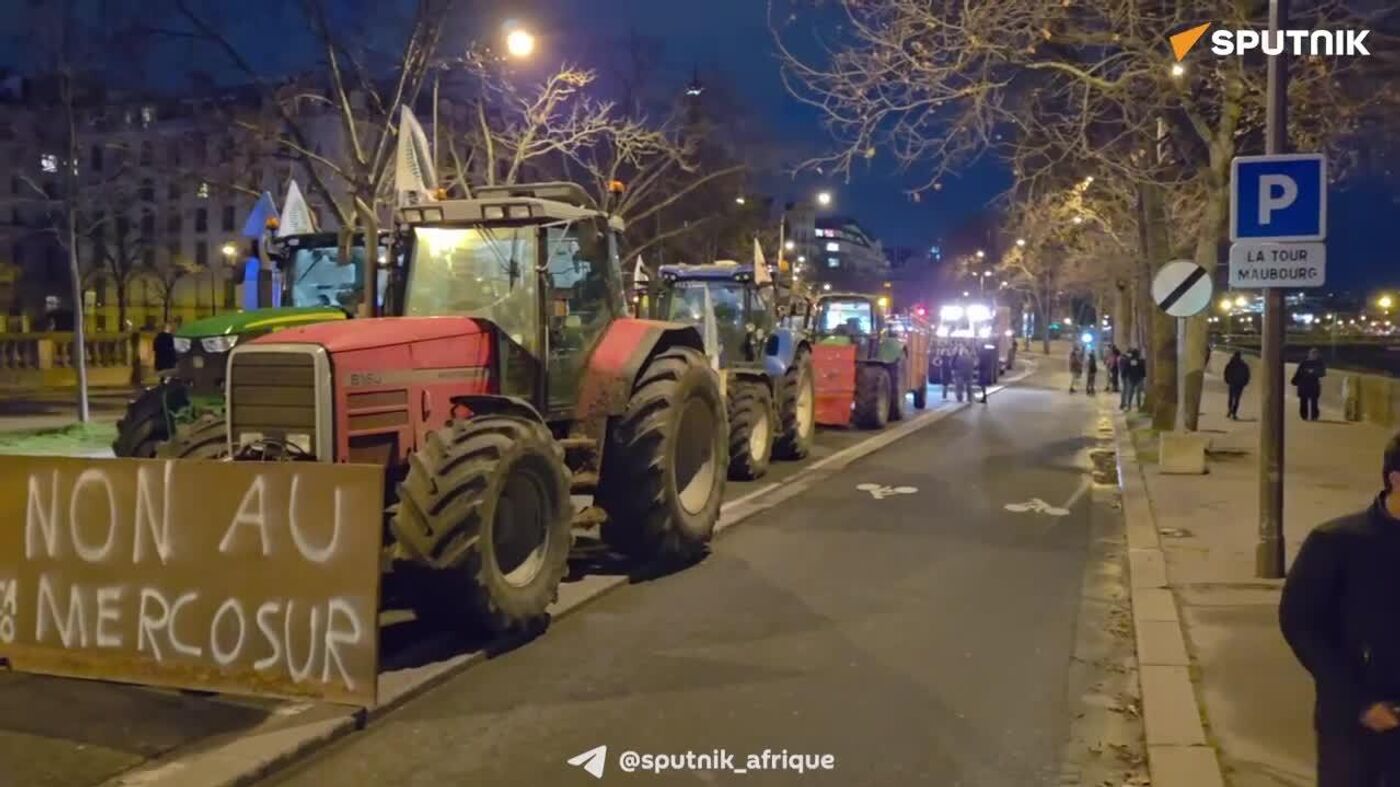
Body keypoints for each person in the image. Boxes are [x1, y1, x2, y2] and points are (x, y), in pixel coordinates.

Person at [1280, 433, 1400, 785]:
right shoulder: (1337, 542)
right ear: (1395, 479)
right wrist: (1358, 701)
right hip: (1356, 724)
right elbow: (1301, 624)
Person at [1293, 348, 1327, 422]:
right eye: (1313, 354)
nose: (1314, 355)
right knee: (1303, 401)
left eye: (1316, 354)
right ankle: (1304, 415)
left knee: (1314, 401)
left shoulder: (1319, 363)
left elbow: (1323, 373)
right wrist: (1295, 380)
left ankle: (1314, 416)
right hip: (1304, 383)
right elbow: (1298, 372)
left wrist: (1314, 372)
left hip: (1313, 384)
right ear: (1309, 354)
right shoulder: (1304, 362)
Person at [1224, 351, 1252, 420]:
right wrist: (1245, 382)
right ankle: (1234, 413)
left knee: (1231, 398)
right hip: (1239, 384)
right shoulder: (1243, 365)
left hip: (1233, 383)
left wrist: (1227, 380)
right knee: (1236, 399)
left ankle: (1230, 410)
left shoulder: (1231, 364)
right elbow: (1247, 374)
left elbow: (1226, 372)